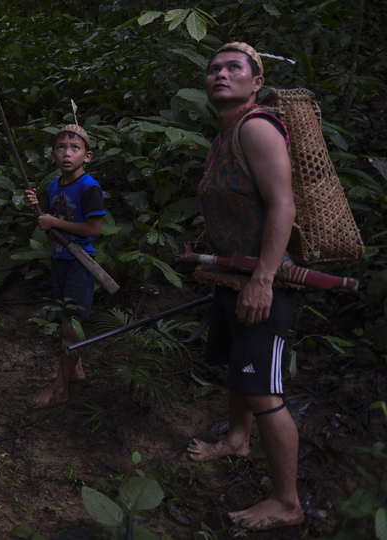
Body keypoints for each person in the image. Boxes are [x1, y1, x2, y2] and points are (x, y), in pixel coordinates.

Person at [186, 42, 303, 531]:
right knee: (239, 368)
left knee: (263, 389)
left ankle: (287, 501)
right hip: (234, 276)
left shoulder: (255, 126)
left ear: (256, 82)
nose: (220, 74)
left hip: (264, 280)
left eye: (234, 68)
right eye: (213, 68)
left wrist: (263, 279)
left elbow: (283, 205)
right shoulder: (225, 134)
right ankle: (237, 439)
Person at [23, 124, 104, 409]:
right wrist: (35, 207)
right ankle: (76, 368)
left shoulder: (89, 187)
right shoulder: (55, 185)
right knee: (65, 317)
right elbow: (48, 218)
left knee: (71, 324)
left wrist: (53, 222)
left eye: (75, 148)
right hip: (60, 259)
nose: (67, 154)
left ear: (87, 155)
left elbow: (93, 229)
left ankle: (61, 388)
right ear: (52, 155)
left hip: (79, 263)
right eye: (61, 148)